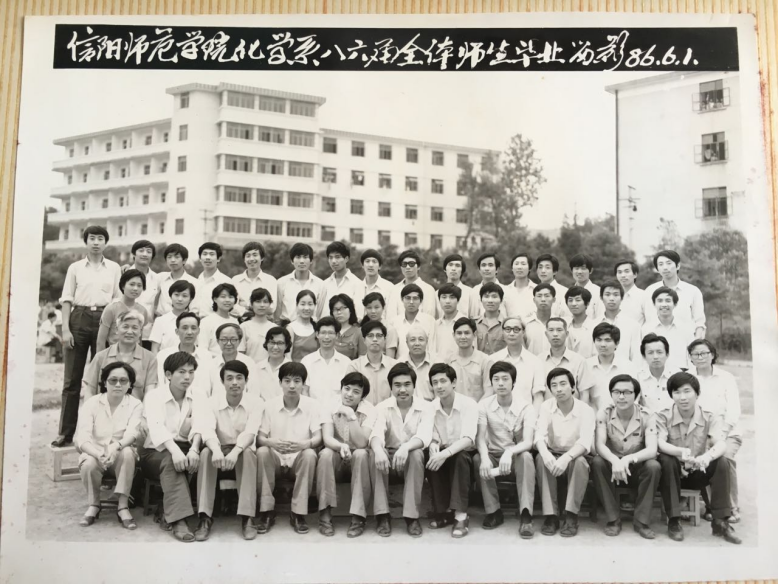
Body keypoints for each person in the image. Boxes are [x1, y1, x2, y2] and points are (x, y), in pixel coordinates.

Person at [53, 225, 122, 447]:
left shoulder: (114, 268)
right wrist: (65, 329)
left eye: (100, 238)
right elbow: (66, 299)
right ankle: (65, 433)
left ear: (106, 242)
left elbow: (117, 299)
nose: (96, 242)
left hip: (104, 318)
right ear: (86, 241)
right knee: (72, 380)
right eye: (92, 238)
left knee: (104, 376)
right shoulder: (75, 268)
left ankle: (100, 433)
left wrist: (114, 329)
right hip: (79, 318)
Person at [657, 372, 741, 544]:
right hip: (671, 475)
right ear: (671, 395)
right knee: (666, 459)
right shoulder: (663, 416)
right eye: (677, 392)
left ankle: (721, 522)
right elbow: (659, 443)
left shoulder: (709, 415)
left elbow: (721, 443)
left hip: (697, 472)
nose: (682, 397)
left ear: (697, 393)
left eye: (687, 391)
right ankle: (674, 520)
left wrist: (708, 457)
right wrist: (679, 452)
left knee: (722, 461)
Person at [193, 360, 263, 541]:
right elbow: (208, 429)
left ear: (246, 381)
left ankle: (247, 517)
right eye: (229, 378)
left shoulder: (256, 402)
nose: (234, 383)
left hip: (242, 450)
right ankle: (204, 517)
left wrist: (236, 451)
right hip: (219, 449)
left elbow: (251, 433)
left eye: (239, 378)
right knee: (205, 453)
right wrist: (216, 450)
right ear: (222, 382)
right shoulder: (211, 402)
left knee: (248, 454)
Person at [141, 352, 203, 542]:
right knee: (171, 461)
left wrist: (194, 449)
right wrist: (175, 451)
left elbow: (202, 424)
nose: (187, 377)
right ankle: (179, 520)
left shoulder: (198, 395)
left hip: (186, 447)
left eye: (191, 372)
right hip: (155, 452)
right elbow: (157, 427)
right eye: (181, 372)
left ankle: (165, 510)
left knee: (201, 458)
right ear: (168, 374)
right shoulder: (154, 396)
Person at [256, 362, 323, 535]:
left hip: (298, 460)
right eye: (287, 381)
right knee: (262, 452)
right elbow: (260, 438)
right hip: (276, 459)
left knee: (310, 454)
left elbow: (318, 437)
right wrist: (271, 442)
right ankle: (266, 511)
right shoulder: (269, 406)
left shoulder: (313, 405)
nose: (292, 386)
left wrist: (304, 444)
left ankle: (298, 513)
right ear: (280, 383)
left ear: (303, 384)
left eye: (297, 381)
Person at [74, 362, 143, 529]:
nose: (118, 384)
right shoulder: (92, 403)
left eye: (123, 380)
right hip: (95, 454)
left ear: (130, 384)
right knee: (89, 463)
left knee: (128, 453)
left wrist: (115, 446)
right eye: (113, 380)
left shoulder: (135, 404)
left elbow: (132, 434)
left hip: (120, 455)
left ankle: (123, 506)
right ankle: (94, 505)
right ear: (104, 382)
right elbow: (82, 438)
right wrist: (98, 454)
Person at [591, 374, 661, 539]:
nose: (621, 397)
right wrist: (615, 461)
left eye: (627, 392)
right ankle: (613, 519)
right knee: (597, 462)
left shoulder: (647, 415)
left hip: (636, 466)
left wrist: (628, 459)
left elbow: (652, 449)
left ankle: (641, 521)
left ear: (636, 395)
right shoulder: (604, 414)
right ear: (611, 394)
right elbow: (599, 445)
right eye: (617, 392)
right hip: (613, 467)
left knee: (654, 466)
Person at [369, 363, 434, 538]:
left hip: (411, 454)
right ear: (391, 387)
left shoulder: (426, 407)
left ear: (414, 386)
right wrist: (379, 450)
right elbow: (376, 433)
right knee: (375, 453)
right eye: (397, 385)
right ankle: (382, 514)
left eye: (407, 384)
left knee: (416, 454)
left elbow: (424, 436)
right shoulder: (382, 407)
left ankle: (411, 516)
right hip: (389, 455)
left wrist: (405, 447)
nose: (402, 390)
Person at [475, 361, 536, 538]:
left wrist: (510, 452)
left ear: (513, 382)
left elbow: (528, 441)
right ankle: (494, 512)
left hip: (516, 455)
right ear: (491, 383)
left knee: (526, 457)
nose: (500, 383)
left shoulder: (526, 406)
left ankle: (526, 515)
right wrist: (485, 457)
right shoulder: (484, 405)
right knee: (479, 460)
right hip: (494, 455)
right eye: (496, 379)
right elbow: (480, 438)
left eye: (505, 379)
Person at [535, 367, 596, 537]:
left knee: (580, 463)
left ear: (573, 387)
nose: (559, 389)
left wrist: (566, 458)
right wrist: (546, 454)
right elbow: (539, 435)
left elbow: (585, 441)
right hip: (553, 453)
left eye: (563, 384)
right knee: (540, 459)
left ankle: (571, 515)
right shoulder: (546, 406)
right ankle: (551, 516)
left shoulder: (586, 410)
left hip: (576, 455)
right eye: (554, 385)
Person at [688, 339, 743, 523]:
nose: (700, 357)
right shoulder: (688, 378)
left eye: (704, 353)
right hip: (700, 433)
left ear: (712, 355)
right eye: (696, 354)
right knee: (701, 458)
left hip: (728, 432)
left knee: (724, 458)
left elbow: (734, 409)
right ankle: (711, 506)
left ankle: (732, 507)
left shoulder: (726, 378)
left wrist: (723, 434)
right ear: (690, 358)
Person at [317, 372, 377, 538]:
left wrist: (351, 416)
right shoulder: (330, 405)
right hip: (337, 454)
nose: (349, 394)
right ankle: (325, 514)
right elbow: (327, 438)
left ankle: (358, 516)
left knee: (361, 454)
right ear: (341, 388)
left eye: (356, 392)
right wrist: (341, 445)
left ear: (362, 396)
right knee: (325, 454)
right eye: (347, 388)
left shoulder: (370, 410)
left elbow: (361, 443)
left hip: (357, 459)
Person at [426, 363, 479, 538]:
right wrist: (434, 444)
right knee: (430, 456)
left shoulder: (469, 404)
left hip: (466, 453)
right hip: (444, 451)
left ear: (454, 382)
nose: (439, 386)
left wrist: (445, 454)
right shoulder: (431, 407)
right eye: (435, 382)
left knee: (460, 457)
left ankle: (461, 516)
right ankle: (444, 512)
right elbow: (431, 433)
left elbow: (468, 439)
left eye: (443, 381)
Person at [83, 310, 157, 401]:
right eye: (125, 327)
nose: (130, 332)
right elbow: (90, 391)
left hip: (136, 409)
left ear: (140, 332)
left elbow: (150, 393)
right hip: (104, 408)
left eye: (134, 328)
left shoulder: (150, 358)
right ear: (117, 330)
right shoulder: (100, 357)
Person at [643, 250, 706, 338]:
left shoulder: (693, 291)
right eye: (661, 264)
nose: (665, 267)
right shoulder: (649, 291)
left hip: (685, 341)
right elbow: (647, 320)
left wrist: (696, 343)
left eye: (669, 263)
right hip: (656, 341)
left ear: (678, 265)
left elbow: (699, 323)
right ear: (657, 269)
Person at [487, 317, 546, 409]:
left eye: (516, 329)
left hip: (526, 414)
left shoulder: (535, 361)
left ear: (523, 332)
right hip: (498, 415)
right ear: (502, 332)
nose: (511, 333)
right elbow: (489, 393)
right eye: (507, 329)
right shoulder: (493, 360)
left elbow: (538, 396)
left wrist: (532, 416)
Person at [155, 312, 215, 399]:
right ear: (177, 331)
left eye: (193, 328)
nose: (189, 332)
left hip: (201, 403)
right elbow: (160, 384)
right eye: (185, 328)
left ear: (198, 331)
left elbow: (210, 387)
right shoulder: (163, 355)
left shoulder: (206, 356)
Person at [540, 317, 595, 406]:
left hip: (573, 412)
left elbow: (584, 393)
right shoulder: (539, 360)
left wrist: (581, 412)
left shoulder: (579, 361)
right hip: (547, 412)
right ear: (546, 334)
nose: (555, 334)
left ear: (566, 334)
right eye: (551, 330)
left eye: (559, 330)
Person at [345, 321, 398, 406]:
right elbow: (349, 396)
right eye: (370, 335)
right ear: (364, 340)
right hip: (362, 412)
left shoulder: (394, 366)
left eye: (379, 335)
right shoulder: (355, 366)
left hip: (388, 412)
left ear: (385, 340)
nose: (375, 339)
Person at [300, 316, 351, 405]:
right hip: (313, 411)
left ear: (337, 335)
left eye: (330, 333)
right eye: (323, 333)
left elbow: (349, 393)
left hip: (339, 411)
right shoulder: (306, 361)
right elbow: (304, 391)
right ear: (317, 334)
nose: (326, 337)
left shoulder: (346, 363)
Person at [585, 323, 636, 411]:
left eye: (608, 340)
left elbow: (634, 396)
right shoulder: (585, 365)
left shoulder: (628, 367)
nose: (603, 344)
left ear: (617, 343)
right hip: (593, 416)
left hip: (621, 416)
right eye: (599, 340)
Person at [642, 287, 695, 371]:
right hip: (656, 372)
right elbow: (643, 356)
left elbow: (692, 354)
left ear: (675, 304)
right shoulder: (646, 328)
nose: (664, 304)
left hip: (681, 372)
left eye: (668, 301)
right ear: (654, 304)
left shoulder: (686, 328)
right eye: (660, 301)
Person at [96, 269, 150, 350]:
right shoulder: (111, 309)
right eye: (132, 284)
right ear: (123, 286)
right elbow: (100, 341)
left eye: (139, 285)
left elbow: (139, 339)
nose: (135, 288)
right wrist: (101, 358)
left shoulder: (143, 311)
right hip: (114, 353)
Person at [445, 317, 492, 402]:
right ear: (453, 335)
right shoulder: (448, 360)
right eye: (459, 333)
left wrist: (476, 408)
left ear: (474, 335)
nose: (463, 337)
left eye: (467, 333)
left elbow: (489, 391)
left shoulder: (485, 361)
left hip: (478, 408)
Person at [275, 243, 324, 323]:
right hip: (286, 327)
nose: (301, 261)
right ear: (292, 261)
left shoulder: (321, 284)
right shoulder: (281, 283)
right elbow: (277, 313)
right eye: (298, 257)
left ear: (311, 260)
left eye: (305, 257)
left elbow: (320, 313)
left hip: (312, 328)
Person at [316, 241, 364, 320]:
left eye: (337, 257)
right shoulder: (324, 284)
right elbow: (318, 314)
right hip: (326, 327)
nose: (333, 261)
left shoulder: (357, 284)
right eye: (330, 258)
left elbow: (359, 316)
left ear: (346, 259)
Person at [210, 324, 261, 398]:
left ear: (239, 341)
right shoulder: (210, 364)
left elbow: (254, 392)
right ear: (218, 341)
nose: (228, 343)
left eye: (233, 339)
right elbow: (205, 392)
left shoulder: (249, 363)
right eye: (224, 340)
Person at [597, 279, 641, 363]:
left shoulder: (633, 325)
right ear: (601, 298)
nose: (611, 298)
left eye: (616, 295)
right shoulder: (594, 324)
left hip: (625, 370)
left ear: (622, 298)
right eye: (607, 294)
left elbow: (636, 357)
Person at [127, 240, 160, 348]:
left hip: (147, 333)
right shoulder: (122, 274)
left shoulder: (157, 279)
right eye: (141, 251)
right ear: (133, 254)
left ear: (152, 256)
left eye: (149, 251)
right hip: (125, 331)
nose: (145, 254)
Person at [636, 333, 679, 414]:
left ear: (667, 354)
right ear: (644, 356)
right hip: (647, 420)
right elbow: (635, 405)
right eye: (650, 353)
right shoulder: (638, 376)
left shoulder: (677, 375)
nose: (655, 357)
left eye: (659, 352)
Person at [149, 280, 196, 354]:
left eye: (184, 296)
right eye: (176, 295)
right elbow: (154, 349)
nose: (180, 299)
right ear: (171, 296)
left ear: (191, 299)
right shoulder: (160, 321)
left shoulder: (195, 322)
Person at [232, 242, 278, 316]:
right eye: (248, 256)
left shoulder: (270, 280)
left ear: (262, 258)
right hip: (240, 321)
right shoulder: (235, 280)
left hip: (263, 322)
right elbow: (232, 306)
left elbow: (271, 308)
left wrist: (245, 305)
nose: (251, 259)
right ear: (244, 259)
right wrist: (259, 306)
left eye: (255, 255)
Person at [392, 283, 436, 361]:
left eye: (415, 298)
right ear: (402, 299)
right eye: (408, 298)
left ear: (421, 301)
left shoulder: (429, 321)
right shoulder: (394, 322)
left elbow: (432, 348)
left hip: (425, 364)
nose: (411, 302)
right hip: (401, 365)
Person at [388, 250, 437, 319]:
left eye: (411, 264)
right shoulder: (394, 289)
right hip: (398, 325)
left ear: (418, 267)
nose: (408, 267)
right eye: (404, 264)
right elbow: (390, 317)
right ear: (401, 267)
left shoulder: (428, 289)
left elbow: (429, 317)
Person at [155, 243, 198, 317]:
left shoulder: (194, 282)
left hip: (182, 320)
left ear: (184, 260)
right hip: (161, 319)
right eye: (169, 257)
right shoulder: (160, 277)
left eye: (177, 257)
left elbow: (194, 309)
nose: (172, 260)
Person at [197, 283, 241, 354]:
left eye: (231, 297)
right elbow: (202, 349)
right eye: (223, 297)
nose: (227, 300)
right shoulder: (206, 322)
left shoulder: (235, 322)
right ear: (215, 299)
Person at [192, 242, 233, 317]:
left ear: (218, 259)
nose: (208, 257)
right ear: (200, 258)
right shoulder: (194, 282)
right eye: (205, 254)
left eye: (211, 254)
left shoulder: (226, 282)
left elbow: (231, 308)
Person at [255, 326, 293, 402]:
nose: (275, 347)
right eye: (272, 342)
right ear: (266, 344)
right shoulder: (257, 368)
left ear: (286, 345)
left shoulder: (292, 369)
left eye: (280, 343)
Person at [240, 288, 275, 363]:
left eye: (265, 302)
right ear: (251, 304)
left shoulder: (274, 328)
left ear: (270, 304)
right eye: (258, 301)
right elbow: (240, 353)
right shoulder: (244, 327)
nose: (262, 305)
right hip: (249, 367)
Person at [441, 253, 479, 318]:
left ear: (462, 270)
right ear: (445, 269)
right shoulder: (437, 294)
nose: (453, 269)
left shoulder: (471, 293)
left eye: (457, 265)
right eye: (450, 265)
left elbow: (474, 318)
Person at [361, 292, 399, 358]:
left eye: (376, 307)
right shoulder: (361, 327)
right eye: (369, 307)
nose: (373, 311)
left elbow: (390, 358)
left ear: (383, 308)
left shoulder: (390, 330)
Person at [404, 325, 437, 401]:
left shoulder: (436, 363)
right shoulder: (399, 364)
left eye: (421, 339)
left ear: (427, 341)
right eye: (412, 340)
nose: (417, 343)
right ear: (407, 343)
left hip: (431, 406)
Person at [330, 294, 367, 360]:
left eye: (342, 308)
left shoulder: (359, 332)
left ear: (350, 310)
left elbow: (362, 357)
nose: (339, 312)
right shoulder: (329, 330)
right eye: (335, 309)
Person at [564, 286, 596, 359]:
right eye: (570, 300)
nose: (573, 304)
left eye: (578, 300)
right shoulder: (563, 325)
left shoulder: (594, 327)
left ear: (587, 304)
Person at [435, 284, 467, 357]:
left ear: (458, 300)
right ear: (439, 300)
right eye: (444, 297)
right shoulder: (435, 324)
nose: (447, 301)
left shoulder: (466, 324)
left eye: (452, 297)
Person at [523, 284, 556, 356]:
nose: (543, 299)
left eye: (547, 296)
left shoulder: (560, 323)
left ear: (554, 300)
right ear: (534, 300)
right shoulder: (525, 323)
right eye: (539, 296)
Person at [503, 252, 537, 321]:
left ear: (529, 268)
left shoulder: (537, 290)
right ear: (512, 268)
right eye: (516, 264)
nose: (519, 267)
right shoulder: (504, 291)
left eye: (523, 264)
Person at [568, 253, 603, 320]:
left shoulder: (598, 292)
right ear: (571, 271)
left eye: (583, 268)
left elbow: (601, 317)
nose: (579, 272)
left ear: (591, 270)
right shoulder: (567, 293)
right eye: (576, 268)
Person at [288, 290, 319, 362]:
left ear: (315, 306)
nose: (306, 308)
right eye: (303, 304)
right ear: (297, 305)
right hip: (295, 368)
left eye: (310, 304)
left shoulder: (317, 328)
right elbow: (287, 357)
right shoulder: (290, 328)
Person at [475, 283, 506, 355]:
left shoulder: (507, 324)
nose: (490, 300)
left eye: (494, 297)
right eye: (486, 296)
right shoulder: (474, 323)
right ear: (481, 300)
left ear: (501, 300)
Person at [535, 253, 569, 318]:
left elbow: (567, 316)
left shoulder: (564, 292)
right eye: (540, 267)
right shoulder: (532, 290)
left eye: (547, 267)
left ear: (555, 271)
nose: (543, 271)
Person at [614, 259, 645, 325]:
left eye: (626, 271)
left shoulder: (644, 296)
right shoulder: (612, 297)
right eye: (619, 272)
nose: (623, 275)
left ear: (635, 274)